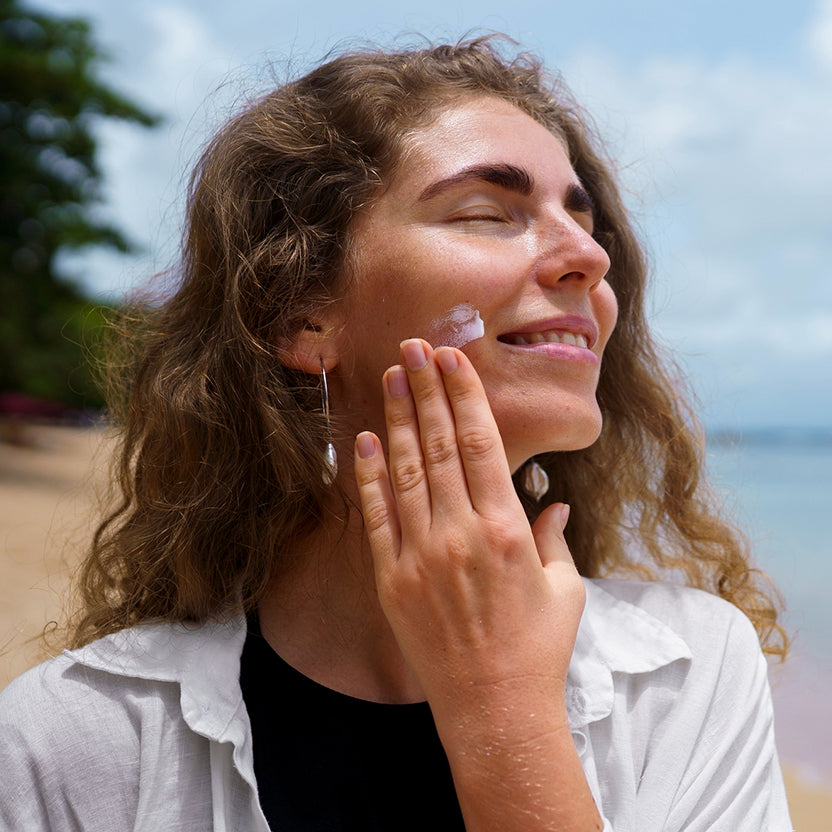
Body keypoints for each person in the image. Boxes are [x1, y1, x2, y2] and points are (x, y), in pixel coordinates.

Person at [0, 36, 792, 831]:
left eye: (589, 228)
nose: (588, 255)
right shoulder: (74, 740)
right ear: (301, 311)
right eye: (488, 214)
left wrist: (501, 707)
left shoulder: (687, 676)